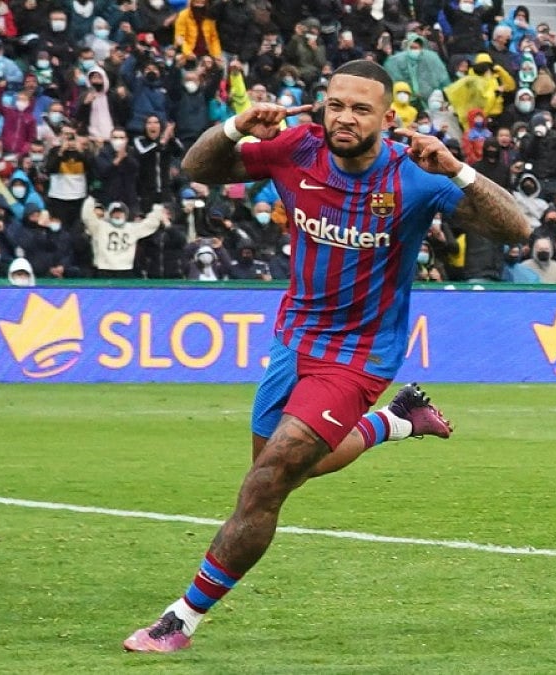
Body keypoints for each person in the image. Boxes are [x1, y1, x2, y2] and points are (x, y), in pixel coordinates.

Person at [123, 60, 529, 653]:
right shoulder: (296, 149)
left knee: (266, 482)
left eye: (361, 108)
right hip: (295, 338)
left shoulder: (413, 175)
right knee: (286, 467)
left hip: (360, 355)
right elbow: (197, 168)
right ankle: (395, 421)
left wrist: (460, 169)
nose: (345, 116)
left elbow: (515, 228)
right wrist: (237, 126)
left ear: (388, 118)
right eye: (336, 104)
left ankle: (180, 619)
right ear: (322, 106)